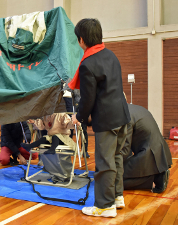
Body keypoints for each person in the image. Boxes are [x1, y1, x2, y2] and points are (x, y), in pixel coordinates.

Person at [69, 19, 130, 217]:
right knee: (117, 158)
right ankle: (117, 197)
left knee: (104, 163)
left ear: (81, 40)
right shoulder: (111, 55)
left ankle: (104, 206)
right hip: (122, 116)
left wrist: (78, 117)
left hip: (106, 120)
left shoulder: (88, 63)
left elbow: (88, 98)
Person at [121, 104, 172, 193]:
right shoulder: (137, 108)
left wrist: (112, 165)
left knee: (115, 179)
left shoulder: (126, 116)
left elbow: (125, 149)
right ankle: (157, 175)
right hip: (159, 151)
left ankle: (156, 178)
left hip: (148, 155)